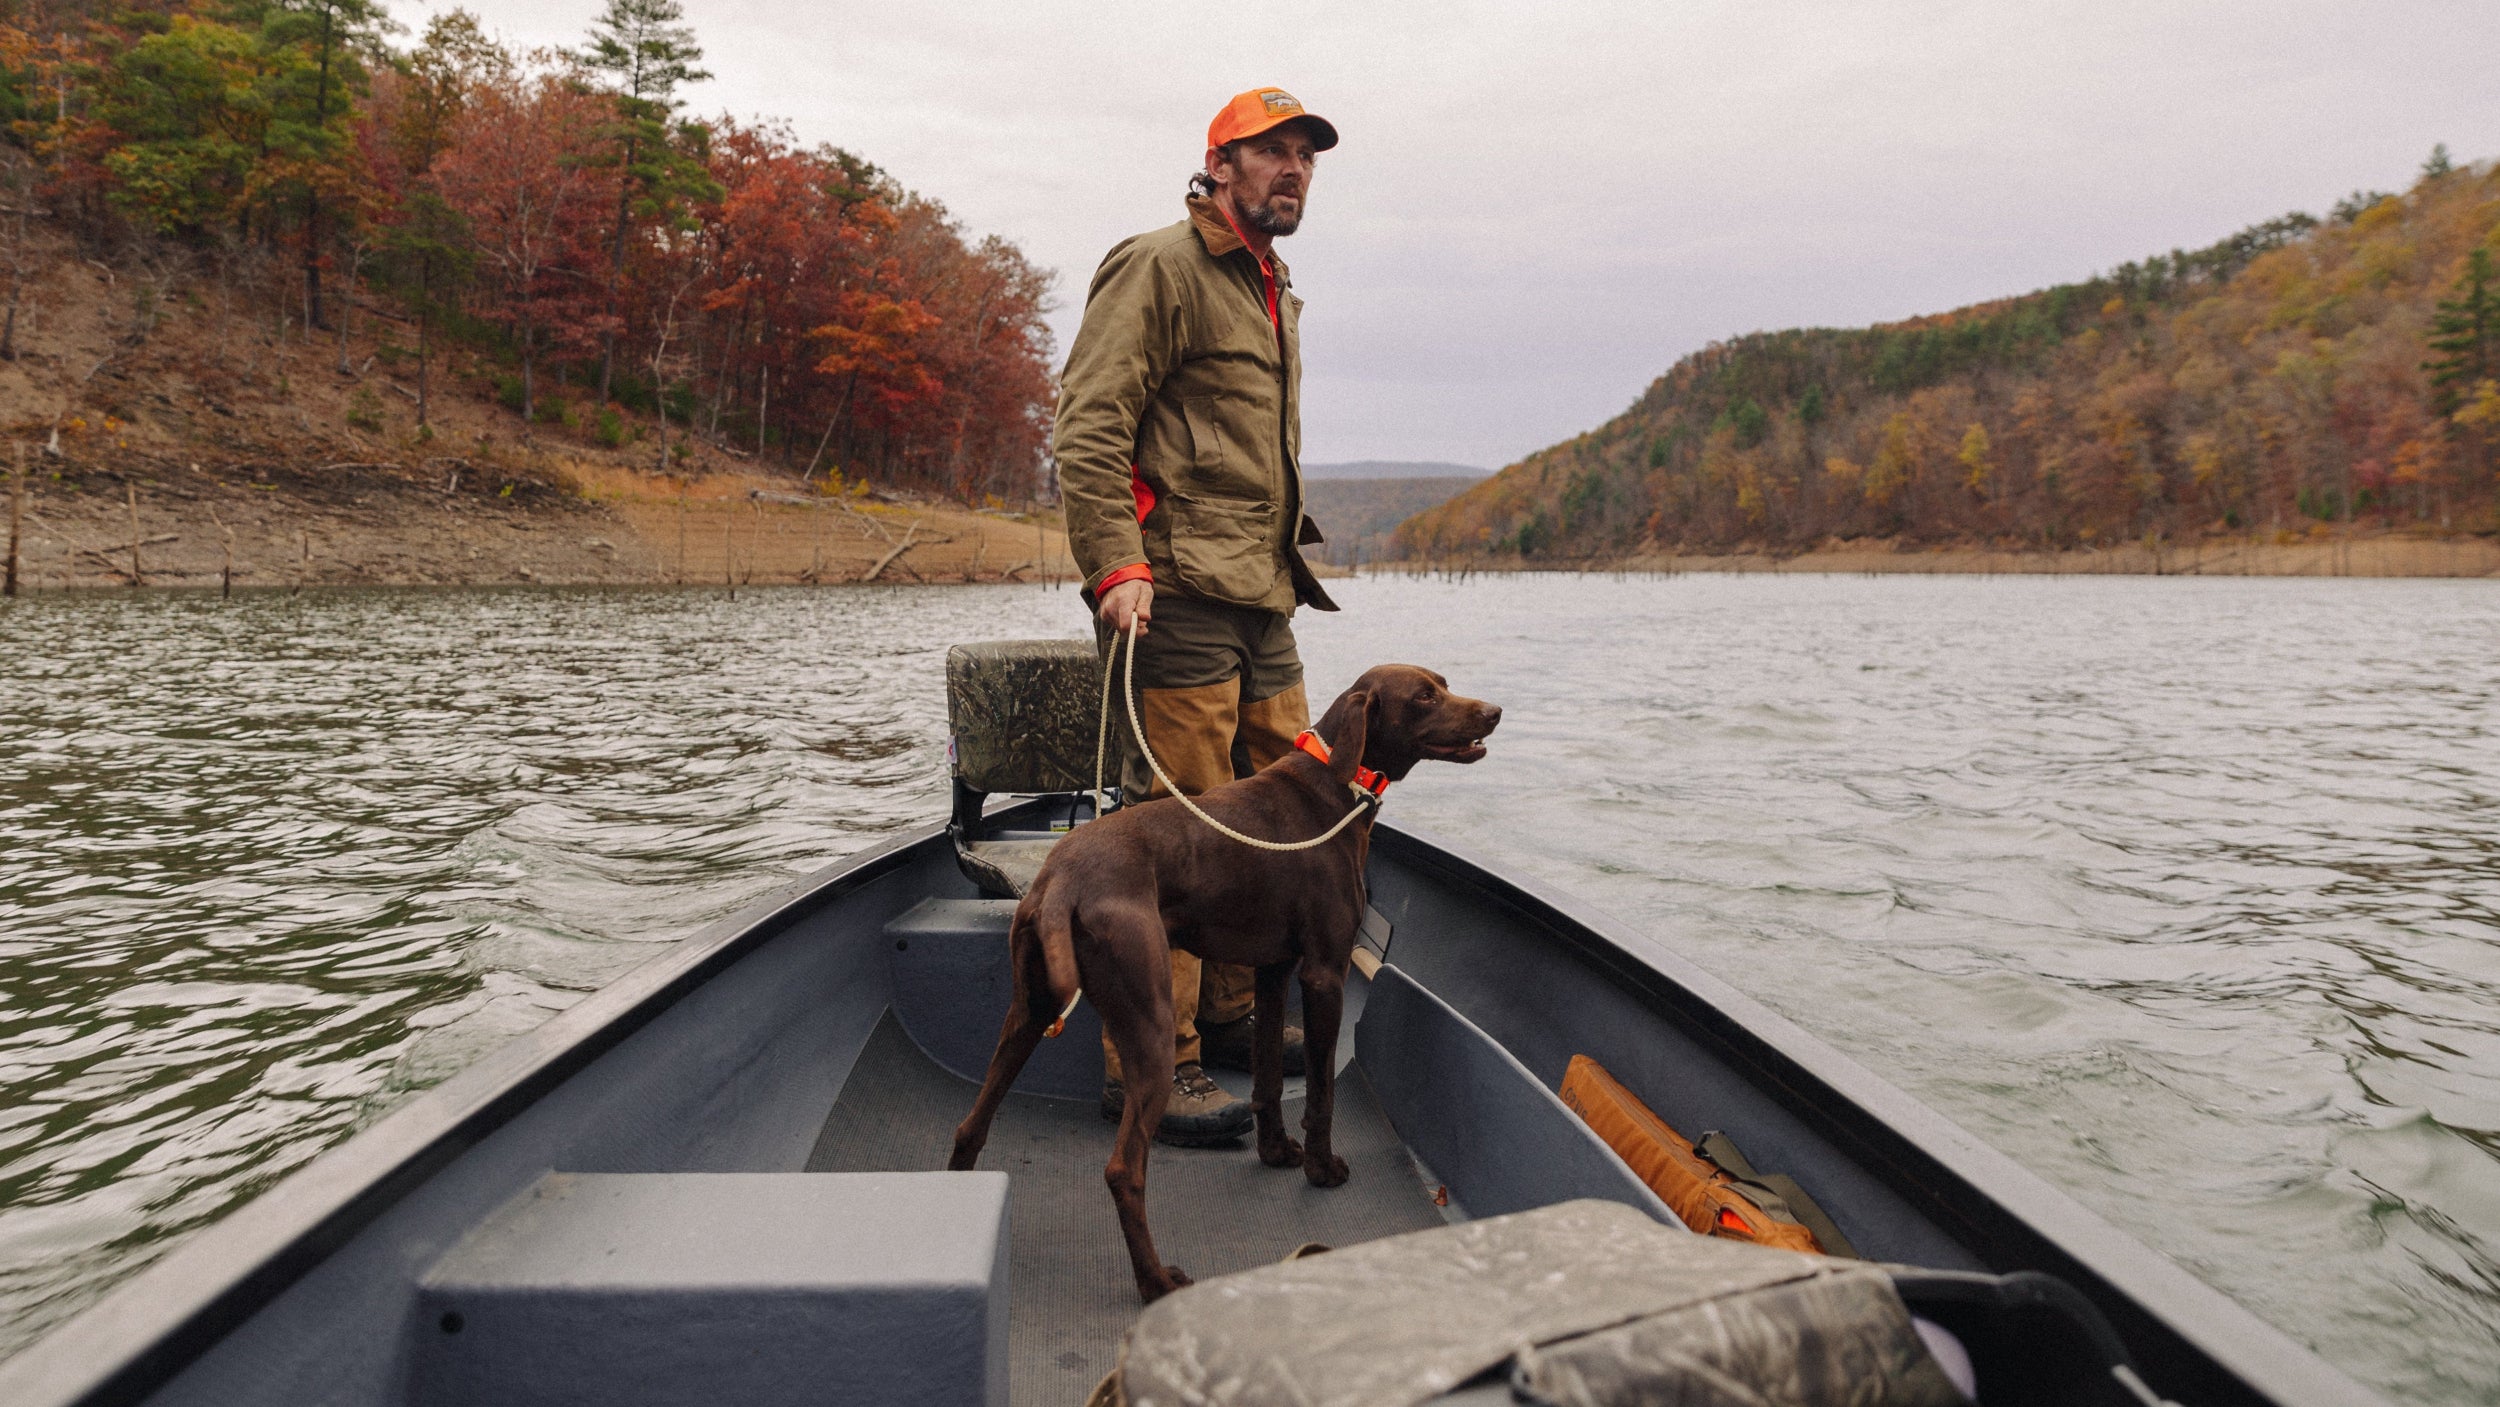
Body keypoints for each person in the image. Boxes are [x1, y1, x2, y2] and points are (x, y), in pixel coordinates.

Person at [1054, 87, 1340, 1145]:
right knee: (1178, 831)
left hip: (1263, 592)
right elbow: (1089, 423)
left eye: (1305, 155)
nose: (1293, 169)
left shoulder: (1271, 285)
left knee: (1290, 805)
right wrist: (1114, 563)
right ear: (1217, 164)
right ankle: (1151, 1064)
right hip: (1170, 589)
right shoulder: (1159, 265)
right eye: (1271, 151)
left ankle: (1227, 1018)